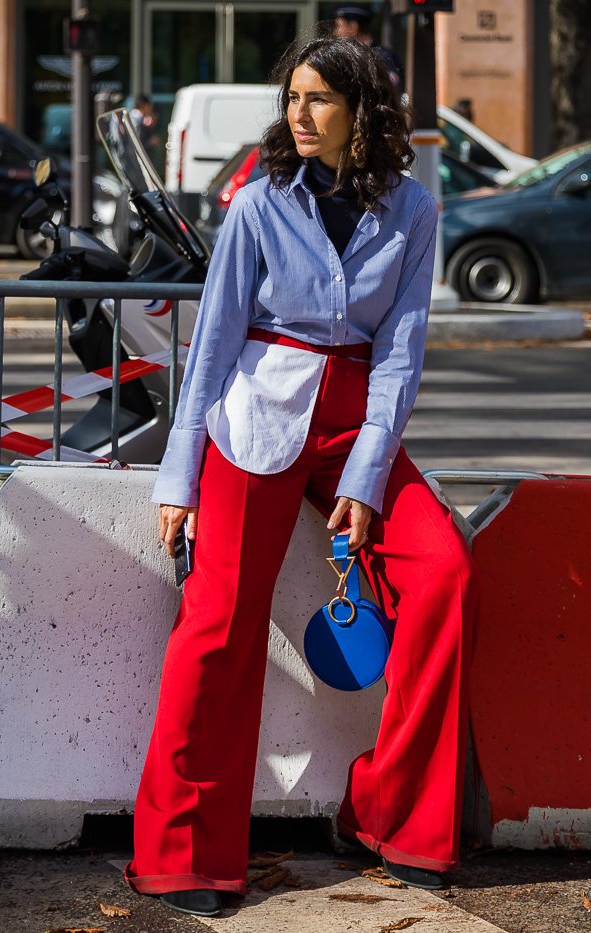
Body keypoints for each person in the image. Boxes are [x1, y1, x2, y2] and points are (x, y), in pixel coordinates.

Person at [123, 34, 478, 919]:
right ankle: (181, 851)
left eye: (320, 99)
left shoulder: (413, 210)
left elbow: (399, 352)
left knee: (444, 574)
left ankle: (388, 812)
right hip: (261, 408)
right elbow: (210, 348)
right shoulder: (255, 206)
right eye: (293, 99)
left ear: (362, 111)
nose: (301, 114)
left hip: (359, 416)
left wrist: (365, 473)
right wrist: (182, 474)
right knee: (218, 621)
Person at [333, 5, 404, 90]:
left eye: (339, 26)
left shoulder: (383, 57)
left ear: (353, 27)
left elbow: (394, 90)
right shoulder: (341, 56)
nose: (335, 32)